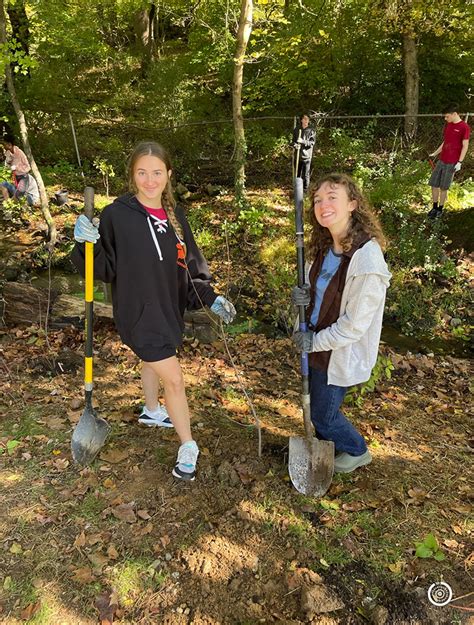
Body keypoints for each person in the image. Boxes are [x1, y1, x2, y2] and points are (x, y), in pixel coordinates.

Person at [72, 141, 236, 481]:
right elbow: (100, 267)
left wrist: (209, 297)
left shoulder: (176, 216)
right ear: (133, 175)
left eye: (157, 173)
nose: (150, 180)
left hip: (167, 309)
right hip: (137, 313)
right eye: (142, 173)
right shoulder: (117, 214)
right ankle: (188, 445)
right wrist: (84, 242)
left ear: (168, 175)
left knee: (153, 360)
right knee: (174, 379)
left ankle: (151, 410)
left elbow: (188, 267)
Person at [291, 173, 391, 473]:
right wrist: (301, 296)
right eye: (318, 199)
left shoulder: (367, 260)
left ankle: (356, 450)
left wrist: (314, 342)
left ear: (353, 204)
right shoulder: (323, 247)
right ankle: (326, 445)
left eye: (332, 196)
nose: (323, 204)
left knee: (323, 413)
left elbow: (354, 325)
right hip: (316, 343)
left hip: (337, 350)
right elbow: (315, 291)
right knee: (317, 407)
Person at [427, 104, 470, 219]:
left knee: (443, 187)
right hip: (442, 160)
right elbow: (445, 142)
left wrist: (460, 162)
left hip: (452, 162)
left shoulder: (464, 127)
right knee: (433, 184)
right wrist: (434, 154)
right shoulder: (449, 125)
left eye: (447, 116)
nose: (445, 119)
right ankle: (434, 207)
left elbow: (465, 146)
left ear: (454, 114)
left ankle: (440, 209)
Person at [0, 134, 39, 206]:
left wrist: (16, 167)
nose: (4, 146)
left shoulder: (20, 153)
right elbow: (7, 166)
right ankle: (8, 205)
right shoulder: (8, 153)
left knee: (19, 192)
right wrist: (8, 164)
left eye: (5, 144)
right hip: (17, 179)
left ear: (9, 144)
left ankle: (9, 205)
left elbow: (28, 167)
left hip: (28, 192)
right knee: (2, 184)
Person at [292, 113, 315, 192]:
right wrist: (295, 145)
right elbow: (293, 141)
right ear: (301, 120)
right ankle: (297, 191)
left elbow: (312, 143)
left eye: (307, 119)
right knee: (297, 173)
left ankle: (305, 191)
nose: (306, 121)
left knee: (305, 175)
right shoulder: (296, 129)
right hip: (298, 155)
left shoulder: (311, 130)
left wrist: (302, 141)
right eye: (304, 119)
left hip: (306, 156)